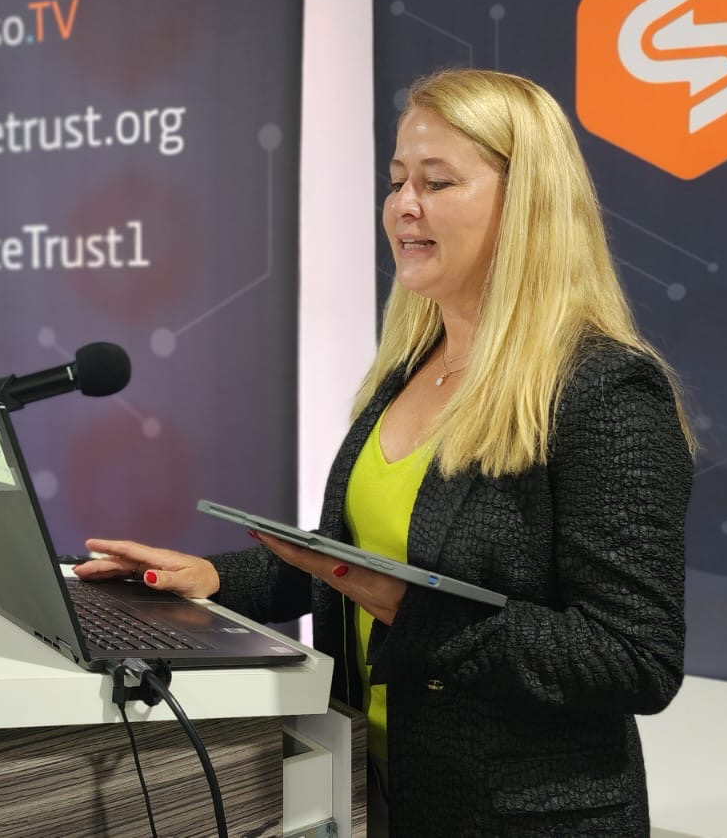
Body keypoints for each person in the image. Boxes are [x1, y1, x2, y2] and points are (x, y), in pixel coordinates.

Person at [75, 69, 695, 835]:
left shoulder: (604, 390)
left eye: (437, 182)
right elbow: (356, 562)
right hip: (372, 785)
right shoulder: (409, 366)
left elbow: (635, 657)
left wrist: (414, 612)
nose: (404, 205)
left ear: (528, 202)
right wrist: (208, 580)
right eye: (398, 180)